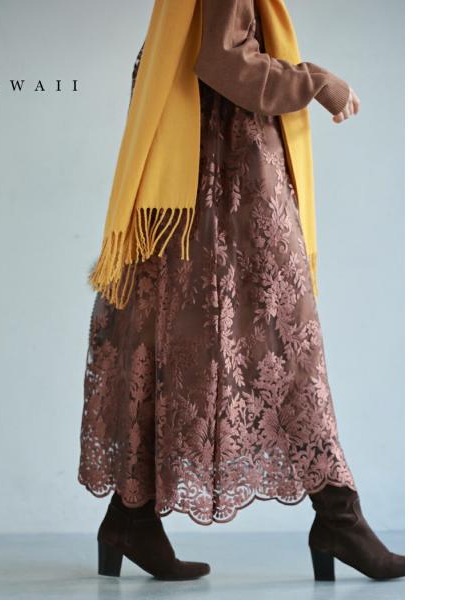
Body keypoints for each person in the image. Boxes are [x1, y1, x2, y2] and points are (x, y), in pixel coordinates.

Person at [78, 0, 404, 582]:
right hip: (227, 168)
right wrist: (316, 82)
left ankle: (130, 516)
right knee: (284, 333)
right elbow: (224, 60)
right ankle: (336, 516)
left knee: (163, 330)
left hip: (183, 166)